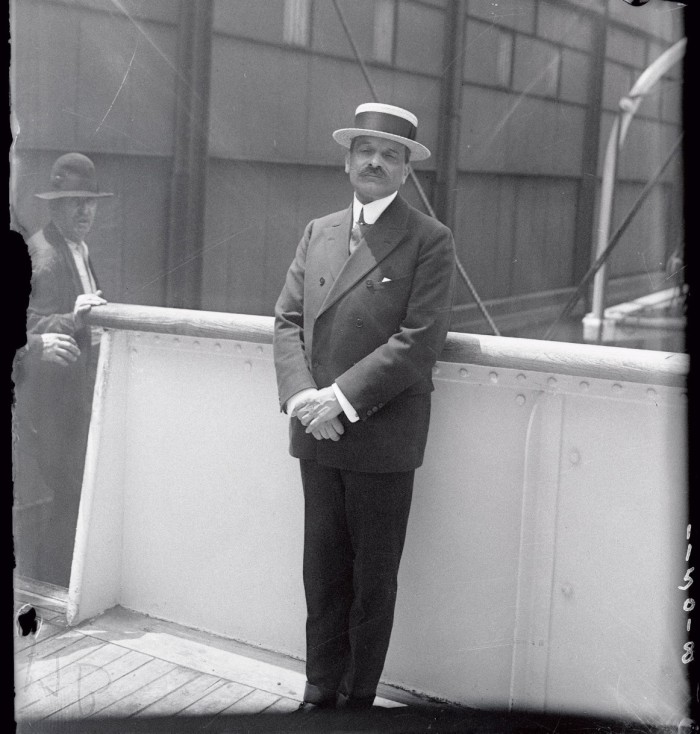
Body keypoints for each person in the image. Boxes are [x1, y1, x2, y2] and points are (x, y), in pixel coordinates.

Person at [273, 103, 456, 711]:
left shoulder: (429, 239)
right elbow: (287, 319)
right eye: (365, 151)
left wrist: (339, 400)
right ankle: (318, 690)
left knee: (371, 581)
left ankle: (357, 704)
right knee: (321, 571)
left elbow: (419, 340)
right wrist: (303, 398)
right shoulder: (318, 230)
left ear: (406, 171)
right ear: (347, 159)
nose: (375, 161)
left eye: (391, 154)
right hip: (316, 431)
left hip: (381, 431)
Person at [16, 152, 111, 586]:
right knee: (69, 494)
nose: (84, 210)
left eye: (90, 201)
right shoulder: (42, 255)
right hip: (47, 407)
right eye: (75, 201)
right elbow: (24, 325)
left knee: (75, 496)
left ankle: (60, 586)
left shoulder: (77, 249)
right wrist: (70, 320)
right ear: (55, 205)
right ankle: (51, 590)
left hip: (73, 402)